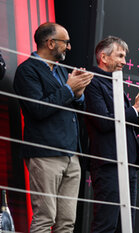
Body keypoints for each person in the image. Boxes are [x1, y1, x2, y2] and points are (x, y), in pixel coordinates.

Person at [13, 22, 93, 232]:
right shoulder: (27, 70)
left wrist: (78, 93)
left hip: (71, 154)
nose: (69, 47)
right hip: (45, 153)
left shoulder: (61, 70)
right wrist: (69, 89)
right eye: (65, 42)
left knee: (67, 222)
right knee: (45, 218)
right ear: (50, 43)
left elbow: (76, 106)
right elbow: (37, 109)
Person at [85, 36, 139, 233]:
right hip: (109, 164)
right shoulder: (93, 82)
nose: (124, 61)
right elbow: (104, 123)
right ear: (103, 57)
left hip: (128, 164)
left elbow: (132, 128)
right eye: (120, 56)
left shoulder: (115, 83)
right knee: (106, 225)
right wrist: (136, 107)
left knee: (125, 226)